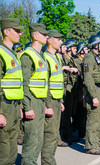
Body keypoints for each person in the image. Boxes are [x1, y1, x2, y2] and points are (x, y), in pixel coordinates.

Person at [20, 23, 49, 164]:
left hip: (41, 100)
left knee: (38, 138)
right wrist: (27, 106)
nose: (47, 36)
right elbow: (24, 83)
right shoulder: (28, 55)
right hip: (32, 100)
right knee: (31, 138)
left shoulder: (41, 55)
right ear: (35, 36)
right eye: (44, 34)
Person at [0, 18, 24, 165]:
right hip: (4, 106)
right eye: (17, 30)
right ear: (6, 31)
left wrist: (20, 107)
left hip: (14, 106)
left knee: (12, 147)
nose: (20, 33)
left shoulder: (13, 54)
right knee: (3, 149)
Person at [83, 34, 100, 155]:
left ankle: (95, 143)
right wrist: (94, 96)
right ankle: (90, 146)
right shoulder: (88, 59)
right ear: (95, 45)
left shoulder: (96, 57)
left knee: (98, 118)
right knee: (93, 119)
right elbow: (88, 79)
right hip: (94, 90)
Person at [41, 29, 65, 164]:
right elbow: (47, 83)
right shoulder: (46, 57)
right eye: (58, 39)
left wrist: (60, 101)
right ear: (50, 40)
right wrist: (48, 105)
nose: (61, 42)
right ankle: (48, 162)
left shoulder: (56, 57)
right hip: (50, 102)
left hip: (56, 100)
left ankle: (49, 161)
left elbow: (58, 82)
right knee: (49, 135)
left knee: (54, 135)